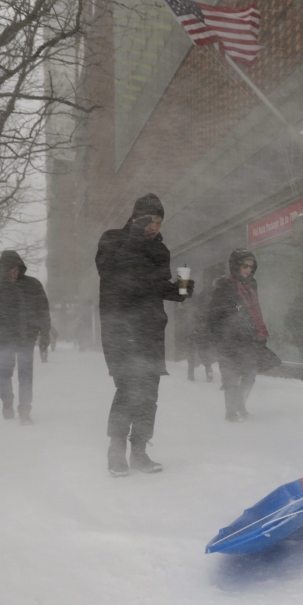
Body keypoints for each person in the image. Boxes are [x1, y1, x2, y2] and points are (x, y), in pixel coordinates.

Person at [96, 193, 191, 476]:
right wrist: (136, 237)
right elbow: (114, 273)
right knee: (128, 389)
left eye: (159, 221)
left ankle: (139, 451)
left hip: (150, 330)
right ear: (135, 218)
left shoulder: (160, 250)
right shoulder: (112, 239)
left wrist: (179, 291)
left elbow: (156, 287)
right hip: (120, 328)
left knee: (149, 392)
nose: (154, 226)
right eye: (149, 220)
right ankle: (116, 452)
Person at [0, 250, 51, 425]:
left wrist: (45, 333)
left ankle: (24, 410)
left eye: (16, 270)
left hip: (26, 337)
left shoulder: (32, 285)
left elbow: (43, 310)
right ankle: (7, 402)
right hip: (3, 338)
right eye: (9, 271)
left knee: (25, 375)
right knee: (5, 373)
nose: (13, 274)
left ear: (21, 269)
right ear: (2, 270)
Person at [207, 249, 281, 422]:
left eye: (251, 266)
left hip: (249, 338)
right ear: (236, 266)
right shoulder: (224, 285)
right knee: (231, 377)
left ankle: (240, 404)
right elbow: (213, 315)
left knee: (250, 374)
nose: (249, 270)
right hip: (229, 340)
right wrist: (225, 332)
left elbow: (255, 309)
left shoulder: (251, 284)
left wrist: (256, 331)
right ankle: (231, 413)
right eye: (245, 266)